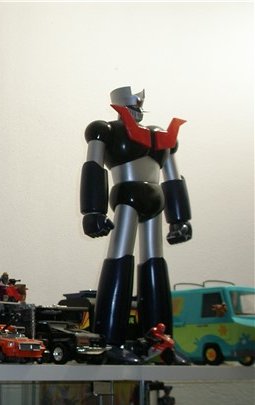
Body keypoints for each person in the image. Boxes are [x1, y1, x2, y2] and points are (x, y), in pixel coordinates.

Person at [79, 86, 192, 363]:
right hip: (127, 197)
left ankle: (161, 342)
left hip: (156, 199)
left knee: (154, 263)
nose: (137, 109)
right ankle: (109, 341)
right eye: (132, 105)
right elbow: (93, 166)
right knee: (120, 257)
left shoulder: (160, 135)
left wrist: (180, 218)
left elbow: (173, 177)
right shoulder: (105, 130)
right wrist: (92, 211)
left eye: (140, 105)